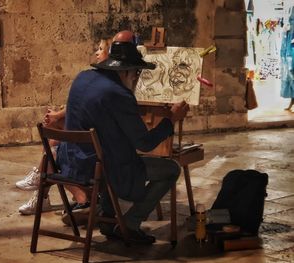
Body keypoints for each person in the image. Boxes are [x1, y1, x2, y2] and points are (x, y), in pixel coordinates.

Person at [56, 31, 190, 244]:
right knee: (170, 169)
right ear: (130, 72)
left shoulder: (83, 77)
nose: (137, 79)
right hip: (97, 167)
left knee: (111, 153)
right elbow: (144, 143)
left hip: (70, 161)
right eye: (137, 74)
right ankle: (131, 223)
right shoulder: (119, 94)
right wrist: (171, 119)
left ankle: (108, 221)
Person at [16, 38, 113, 215]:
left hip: (95, 149)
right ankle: (50, 192)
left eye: (101, 49)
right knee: (54, 139)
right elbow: (78, 105)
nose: (97, 53)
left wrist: (58, 116)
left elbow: (82, 107)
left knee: (51, 155)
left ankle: (46, 189)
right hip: (90, 140)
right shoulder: (97, 78)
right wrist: (58, 115)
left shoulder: (104, 82)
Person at [280, 8, 294, 111]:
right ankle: (292, 102)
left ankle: (292, 103)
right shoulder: (288, 27)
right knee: (290, 79)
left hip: (290, 56)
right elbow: (285, 44)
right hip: (289, 57)